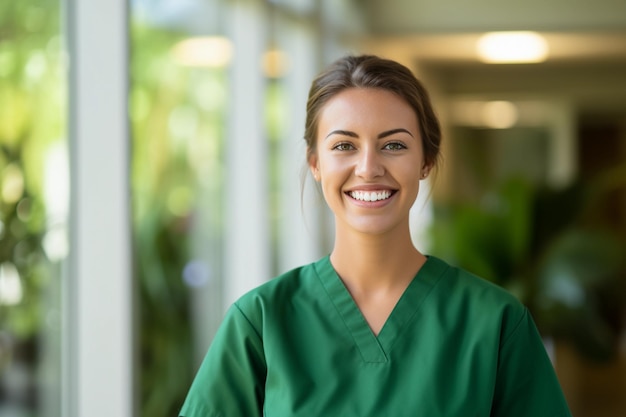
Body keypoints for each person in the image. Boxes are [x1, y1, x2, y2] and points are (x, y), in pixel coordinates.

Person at [179, 55, 572, 417]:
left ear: (425, 161)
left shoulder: (496, 322)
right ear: (315, 163)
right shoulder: (262, 322)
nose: (368, 167)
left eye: (394, 145)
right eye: (345, 145)